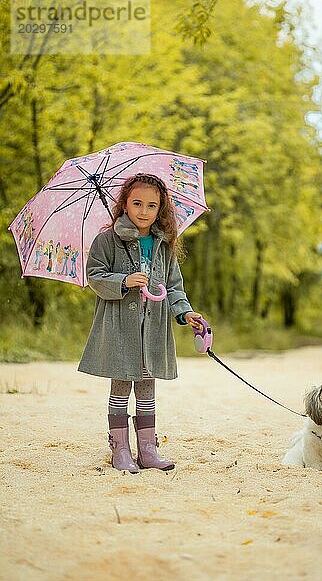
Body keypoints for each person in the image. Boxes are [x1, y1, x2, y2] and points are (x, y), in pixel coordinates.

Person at [78, 173, 203, 474]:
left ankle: (148, 449)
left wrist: (184, 312)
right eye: (137, 203)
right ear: (124, 204)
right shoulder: (107, 241)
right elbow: (94, 276)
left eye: (151, 205)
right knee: (121, 388)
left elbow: (174, 286)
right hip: (121, 328)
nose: (144, 211)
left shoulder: (164, 245)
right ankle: (120, 449)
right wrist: (123, 281)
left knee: (147, 389)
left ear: (160, 209)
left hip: (153, 328)